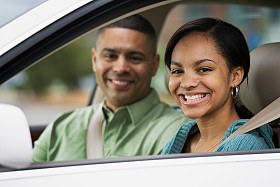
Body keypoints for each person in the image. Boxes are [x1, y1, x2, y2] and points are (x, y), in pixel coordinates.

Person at [32, 15, 187, 162]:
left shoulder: (176, 132)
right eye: (110, 56)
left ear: (153, 65)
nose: (120, 68)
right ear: (94, 60)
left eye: (134, 58)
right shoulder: (61, 127)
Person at [162, 17, 275, 154]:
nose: (187, 83)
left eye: (204, 69)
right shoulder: (181, 139)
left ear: (235, 76)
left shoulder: (246, 148)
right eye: (178, 71)